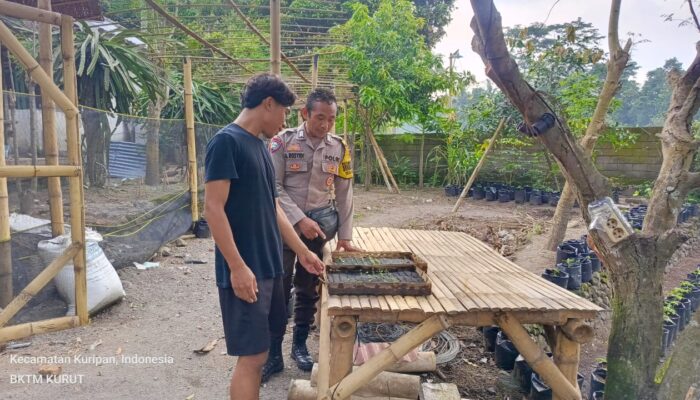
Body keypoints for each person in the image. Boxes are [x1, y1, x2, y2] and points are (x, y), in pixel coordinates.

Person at [204, 73, 325, 400]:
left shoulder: (259, 146)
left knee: (263, 349)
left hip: (270, 266)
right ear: (268, 103)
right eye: (285, 111)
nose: (286, 119)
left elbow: (273, 208)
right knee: (253, 356)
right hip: (247, 269)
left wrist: (302, 251)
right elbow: (213, 210)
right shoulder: (226, 142)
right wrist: (237, 267)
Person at [262, 87, 360, 381]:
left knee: (308, 288)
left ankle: (299, 345)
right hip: (283, 227)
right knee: (278, 288)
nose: (325, 125)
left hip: (318, 231)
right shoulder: (282, 142)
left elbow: (344, 193)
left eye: (331, 119)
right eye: (320, 118)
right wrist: (299, 219)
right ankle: (273, 353)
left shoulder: (339, 147)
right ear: (305, 114)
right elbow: (273, 189)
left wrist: (345, 236)